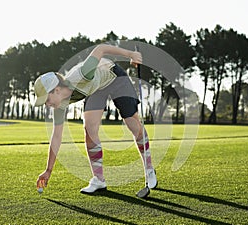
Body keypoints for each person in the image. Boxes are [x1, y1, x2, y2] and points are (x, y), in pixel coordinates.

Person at [35, 44, 157, 194]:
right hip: (96, 88)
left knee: (133, 124)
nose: (47, 105)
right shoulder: (59, 104)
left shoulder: (82, 74)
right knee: (90, 129)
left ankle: (149, 168)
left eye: (47, 100)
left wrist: (130, 54)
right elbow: (56, 136)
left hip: (114, 77)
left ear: (57, 90)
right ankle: (99, 180)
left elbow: (101, 49)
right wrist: (48, 170)